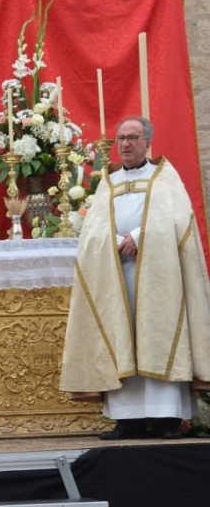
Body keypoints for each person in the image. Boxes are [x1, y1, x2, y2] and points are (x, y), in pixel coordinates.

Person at [60, 116, 210, 440]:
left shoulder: (165, 178)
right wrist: (115, 241)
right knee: (121, 336)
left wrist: (140, 237)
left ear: (147, 143)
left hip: (159, 276)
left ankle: (169, 419)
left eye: (132, 137)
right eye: (120, 138)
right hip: (117, 274)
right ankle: (129, 421)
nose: (125, 144)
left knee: (158, 334)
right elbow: (93, 231)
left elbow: (178, 224)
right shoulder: (108, 181)